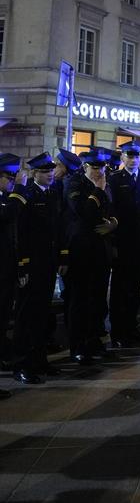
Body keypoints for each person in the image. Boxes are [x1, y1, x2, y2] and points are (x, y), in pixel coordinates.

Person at [10, 153, 68, 383]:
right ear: (34, 174)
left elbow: (59, 227)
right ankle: (22, 364)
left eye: (51, 171)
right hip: (32, 264)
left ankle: (40, 360)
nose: (50, 175)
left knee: (43, 315)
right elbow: (20, 234)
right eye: (45, 172)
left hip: (48, 263)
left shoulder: (54, 193)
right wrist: (22, 265)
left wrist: (63, 257)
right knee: (26, 317)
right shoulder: (27, 195)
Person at [66, 148, 117, 364]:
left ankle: (95, 341)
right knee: (80, 300)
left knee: (97, 300)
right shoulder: (75, 184)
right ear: (85, 166)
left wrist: (114, 223)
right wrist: (97, 191)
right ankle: (78, 346)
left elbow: (110, 210)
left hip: (100, 250)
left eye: (103, 167)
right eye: (95, 167)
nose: (100, 171)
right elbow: (82, 213)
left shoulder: (105, 184)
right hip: (81, 251)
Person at [108, 140, 140, 348]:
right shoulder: (115, 179)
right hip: (123, 240)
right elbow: (112, 211)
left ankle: (132, 327)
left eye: (136, 156)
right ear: (122, 158)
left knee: (135, 287)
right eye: (129, 156)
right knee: (120, 288)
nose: (134, 159)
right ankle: (118, 331)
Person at [0, 154, 20, 386]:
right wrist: (18, 192)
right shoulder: (9, 199)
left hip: (6, 268)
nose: (13, 180)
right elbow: (7, 215)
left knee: (4, 315)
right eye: (8, 177)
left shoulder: (6, 197)